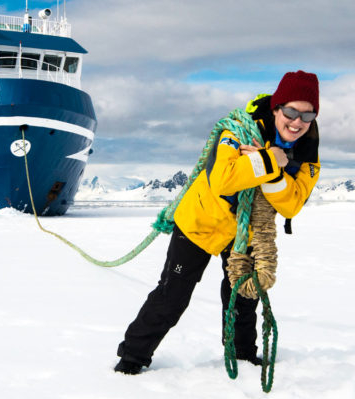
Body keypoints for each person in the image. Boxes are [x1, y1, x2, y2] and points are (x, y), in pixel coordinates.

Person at [114, 70, 321, 375]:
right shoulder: (237, 130)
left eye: (308, 114)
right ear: (277, 108)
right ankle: (132, 358)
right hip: (201, 221)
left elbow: (291, 203)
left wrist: (271, 167)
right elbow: (222, 180)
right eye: (291, 111)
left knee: (243, 295)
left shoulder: (307, 153)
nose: (298, 121)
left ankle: (241, 357)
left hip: (246, 229)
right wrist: (268, 159)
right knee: (173, 296)